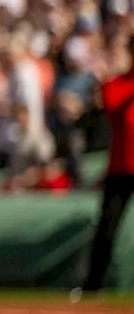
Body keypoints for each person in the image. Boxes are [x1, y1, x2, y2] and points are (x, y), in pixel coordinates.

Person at [79, 59, 134, 293]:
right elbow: (112, 105)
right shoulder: (117, 84)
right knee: (107, 229)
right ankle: (93, 286)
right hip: (121, 169)